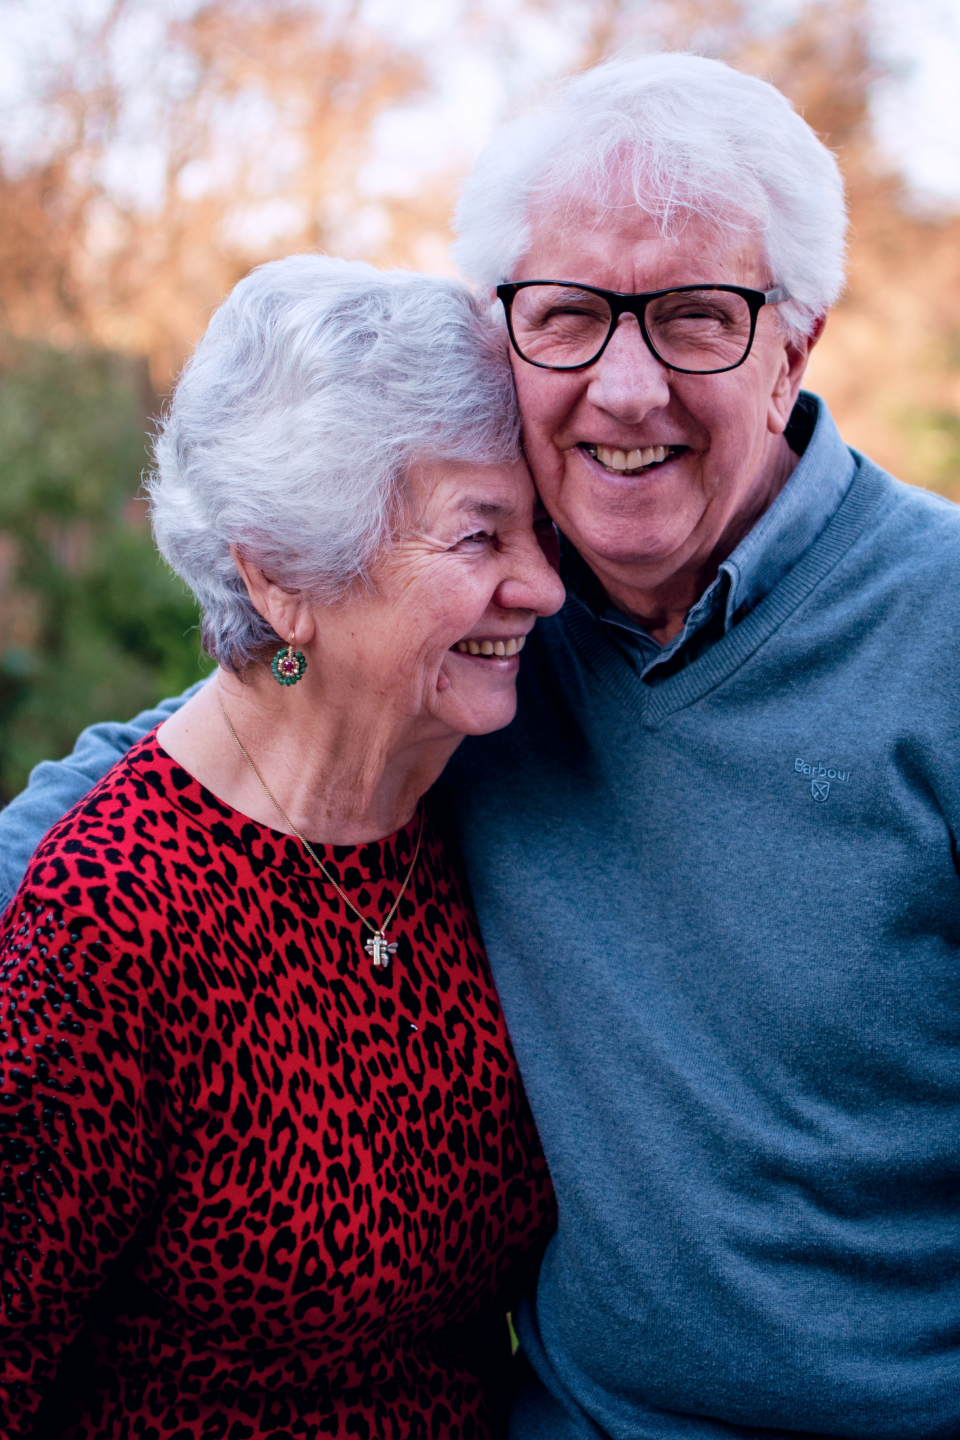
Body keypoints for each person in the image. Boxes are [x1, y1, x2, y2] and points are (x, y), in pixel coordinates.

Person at [3, 50, 960, 1440]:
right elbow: (235, 728)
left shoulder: (927, 637)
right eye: (570, 315)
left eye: (698, 317)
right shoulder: (491, 636)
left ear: (796, 344)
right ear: (516, 333)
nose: (626, 392)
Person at [0, 255, 564, 1440]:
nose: (543, 587)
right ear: (283, 576)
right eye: (480, 537)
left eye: (540, 530)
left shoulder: (461, 810)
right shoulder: (106, 927)